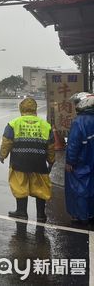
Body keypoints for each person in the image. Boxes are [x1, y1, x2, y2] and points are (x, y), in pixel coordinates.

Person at [0, 98, 55, 223]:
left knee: (20, 186)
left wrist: (3, 155)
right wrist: (51, 160)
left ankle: (21, 212)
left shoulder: (14, 123)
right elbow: (51, 146)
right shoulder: (45, 125)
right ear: (35, 109)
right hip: (39, 162)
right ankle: (41, 215)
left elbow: (7, 142)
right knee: (41, 188)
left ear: (21, 108)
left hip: (19, 162)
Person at [65, 93, 94, 224]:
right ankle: (91, 214)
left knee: (80, 189)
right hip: (91, 160)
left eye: (77, 102)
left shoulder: (79, 121)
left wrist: (70, 161)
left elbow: (73, 145)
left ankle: (81, 216)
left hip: (81, 162)